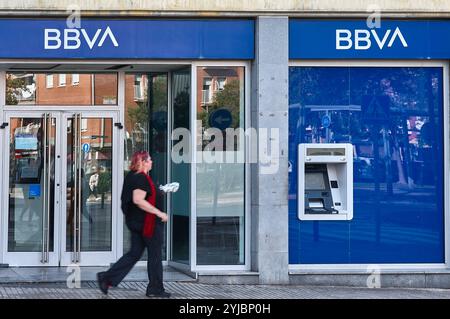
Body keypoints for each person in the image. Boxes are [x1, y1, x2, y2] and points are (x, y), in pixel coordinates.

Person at [96, 150, 170, 298]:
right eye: (149, 160)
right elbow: (138, 200)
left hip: (137, 222)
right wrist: (159, 213)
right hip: (147, 223)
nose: (151, 162)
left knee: (134, 253)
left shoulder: (133, 176)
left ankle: (106, 278)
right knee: (155, 255)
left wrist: (160, 191)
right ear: (141, 162)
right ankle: (155, 288)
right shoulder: (140, 178)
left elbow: (143, 196)